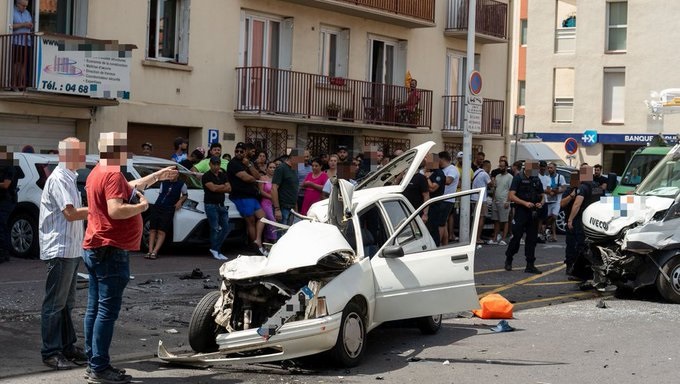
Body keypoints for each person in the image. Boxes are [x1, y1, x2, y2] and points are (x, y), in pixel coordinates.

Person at [82, 132, 177, 384]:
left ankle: (94, 362)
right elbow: (116, 208)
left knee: (94, 308)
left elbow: (130, 187)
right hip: (110, 250)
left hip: (96, 247)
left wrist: (156, 176)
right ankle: (99, 368)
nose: (127, 153)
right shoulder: (112, 173)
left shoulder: (98, 171)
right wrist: (142, 207)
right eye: (123, 148)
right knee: (105, 311)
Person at [38, 138, 89, 370]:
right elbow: (70, 214)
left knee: (66, 303)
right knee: (55, 304)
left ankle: (67, 347)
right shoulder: (59, 178)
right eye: (80, 153)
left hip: (70, 249)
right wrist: (100, 209)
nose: (84, 157)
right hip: (59, 249)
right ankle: (51, 352)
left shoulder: (69, 177)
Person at [504, 160, 545, 274]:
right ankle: (509, 258)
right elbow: (511, 196)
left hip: (533, 212)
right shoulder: (518, 178)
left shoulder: (536, 179)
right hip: (521, 211)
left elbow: (543, 196)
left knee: (532, 239)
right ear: (527, 168)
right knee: (517, 237)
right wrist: (524, 203)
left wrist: (540, 203)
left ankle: (530, 265)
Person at [227, 142, 266, 255]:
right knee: (251, 221)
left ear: (245, 152)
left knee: (262, 217)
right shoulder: (233, 163)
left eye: (241, 151)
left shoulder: (247, 163)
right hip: (241, 196)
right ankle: (255, 245)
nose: (238, 153)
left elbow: (257, 176)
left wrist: (249, 165)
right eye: (236, 151)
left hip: (251, 196)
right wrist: (252, 176)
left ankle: (257, 241)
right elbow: (247, 178)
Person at [566, 165, 604, 281]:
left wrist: (570, 219)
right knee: (591, 246)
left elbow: (577, 204)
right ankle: (591, 272)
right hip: (594, 221)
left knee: (581, 247)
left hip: (582, 220)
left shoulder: (583, 187)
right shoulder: (597, 187)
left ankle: (581, 273)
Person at [147, 171, 187, 259]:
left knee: (162, 230)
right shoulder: (164, 182)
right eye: (169, 174)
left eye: (173, 174)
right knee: (153, 229)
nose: (171, 176)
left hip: (169, 208)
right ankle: (149, 250)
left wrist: (180, 201)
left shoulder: (181, 184)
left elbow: (185, 195)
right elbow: (161, 193)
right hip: (158, 206)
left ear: (177, 175)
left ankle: (155, 251)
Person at [202, 156, 231, 260]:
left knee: (226, 227)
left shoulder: (223, 175)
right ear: (210, 164)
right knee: (214, 228)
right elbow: (213, 188)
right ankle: (216, 250)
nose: (216, 166)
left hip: (221, 205)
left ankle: (215, 249)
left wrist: (218, 187)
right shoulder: (206, 176)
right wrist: (222, 186)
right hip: (211, 205)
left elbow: (229, 188)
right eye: (214, 164)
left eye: (218, 164)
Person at [271, 154, 299, 229]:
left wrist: (296, 209)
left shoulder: (294, 169)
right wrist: (277, 209)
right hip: (283, 207)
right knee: (281, 233)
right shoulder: (281, 168)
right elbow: (274, 188)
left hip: (292, 208)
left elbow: (294, 189)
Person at [0, 146, 18, 263]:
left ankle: (3, 254)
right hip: (3, 201)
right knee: (3, 227)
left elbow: (6, 184)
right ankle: (5, 253)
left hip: (6, 201)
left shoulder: (9, 167)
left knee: (1, 227)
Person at [490, 159, 513, 246]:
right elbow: (495, 188)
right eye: (500, 166)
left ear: (506, 167)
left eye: (503, 166)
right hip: (496, 201)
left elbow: (511, 190)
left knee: (505, 220)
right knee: (496, 220)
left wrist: (508, 201)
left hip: (504, 201)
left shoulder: (510, 177)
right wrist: (493, 199)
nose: (501, 167)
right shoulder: (497, 176)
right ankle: (495, 238)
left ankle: (503, 239)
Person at [439, 151, 459, 246]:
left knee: (440, 224)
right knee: (443, 223)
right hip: (442, 200)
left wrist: (437, 177)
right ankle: (445, 244)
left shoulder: (452, 169)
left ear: (442, 159)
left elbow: (448, 181)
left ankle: (437, 243)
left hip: (447, 200)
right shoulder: (443, 169)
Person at [12, 0, 33, 89]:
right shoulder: (11, 11)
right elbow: (10, 26)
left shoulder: (27, 13)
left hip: (26, 42)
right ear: (17, 4)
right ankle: (13, 84)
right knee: (16, 64)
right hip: (16, 41)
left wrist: (30, 25)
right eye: (23, 6)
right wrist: (23, 24)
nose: (25, 8)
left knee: (24, 64)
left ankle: (21, 84)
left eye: (26, 6)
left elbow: (31, 25)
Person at [543, 162, 566, 242]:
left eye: (551, 168)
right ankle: (554, 236)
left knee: (554, 216)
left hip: (557, 200)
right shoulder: (546, 178)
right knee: (549, 217)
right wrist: (550, 192)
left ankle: (545, 227)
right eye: (548, 168)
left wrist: (556, 191)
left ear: (555, 168)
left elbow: (564, 188)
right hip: (549, 200)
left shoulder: (560, 177)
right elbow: (544, 189)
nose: (549, 169)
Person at [471, 160, 492, 246]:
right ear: (487, 166)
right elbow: (491, 184)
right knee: (481, 218)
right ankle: (478, 238)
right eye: (489, 167)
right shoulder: (485, 174)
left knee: (475, 218)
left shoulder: (476, 172)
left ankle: (473, 237)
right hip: (481, 199)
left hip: (473, 197)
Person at [258, 161, 277, 243]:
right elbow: (261, 191)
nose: (272, 169)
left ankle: (267, 242)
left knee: (272, 222)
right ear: (267, 169)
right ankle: (273, 241)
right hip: (266, 203)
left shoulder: (276, 179)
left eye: (274, 168)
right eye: (270, 167)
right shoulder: (263, 178)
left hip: (275, 203)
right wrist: (272, 197)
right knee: (271, 221)